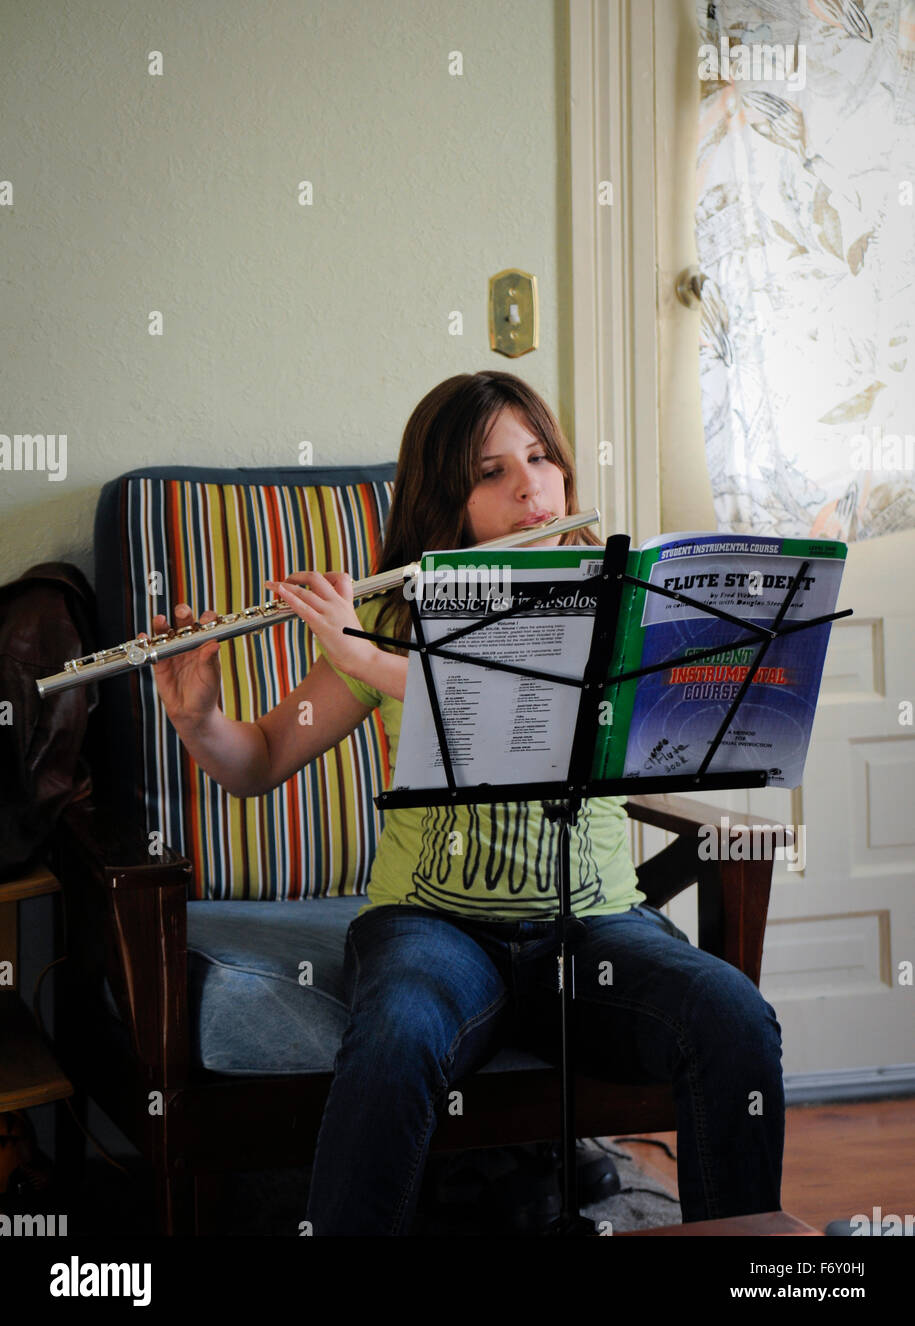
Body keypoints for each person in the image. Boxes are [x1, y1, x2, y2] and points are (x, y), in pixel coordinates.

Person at [149, 370, 785, 1235]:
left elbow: (553, 698)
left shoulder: (620, 608)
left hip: (594, 924)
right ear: (445, 503)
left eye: (540, 457)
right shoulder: (394, 621)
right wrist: (200, 719)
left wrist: (366, 657)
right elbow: (258, 761)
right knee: (396, 1035)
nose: (529, 485)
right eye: (490, 472)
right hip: (432, 924)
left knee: (733, 1016)